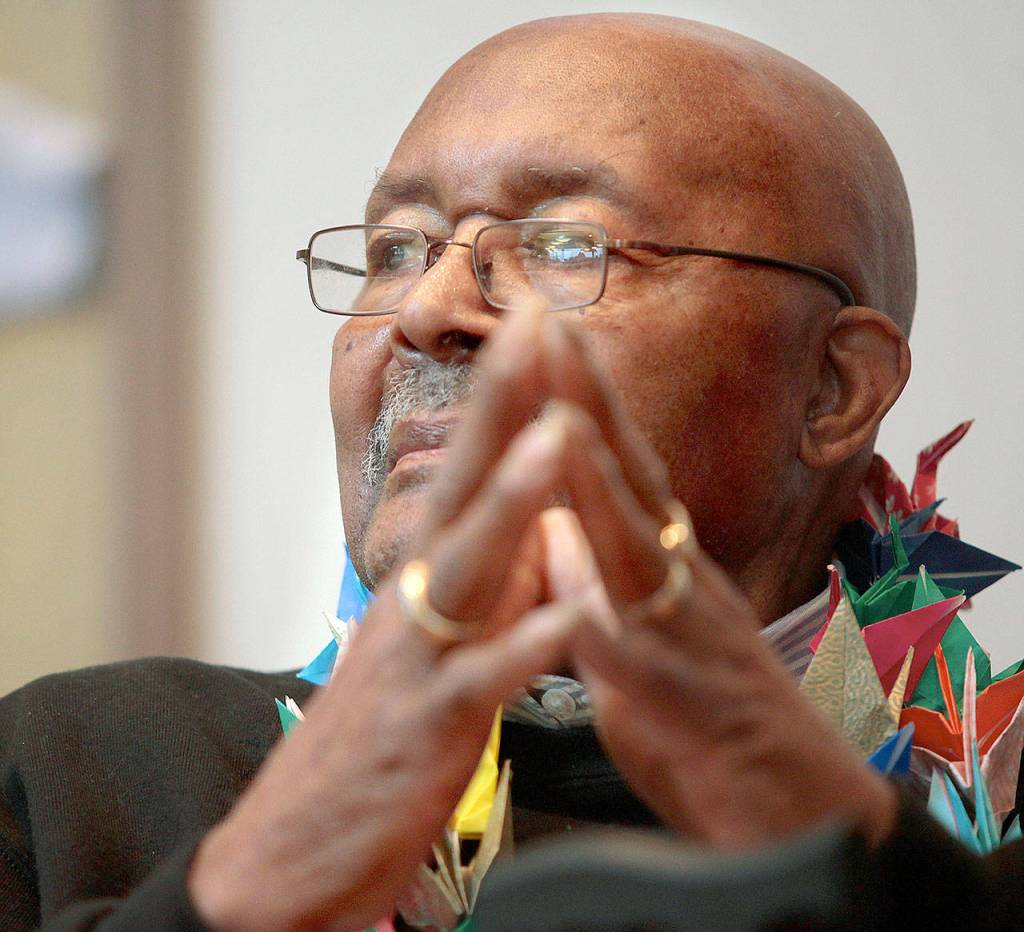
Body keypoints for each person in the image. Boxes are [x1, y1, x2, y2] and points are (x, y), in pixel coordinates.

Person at [2, 13, 1021, 931]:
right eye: (396, 248)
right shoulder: (81, 768)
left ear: (835, 388)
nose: (425, 306)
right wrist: (242, 893)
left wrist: (839, 841)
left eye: (565, 245)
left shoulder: (1002, 804)